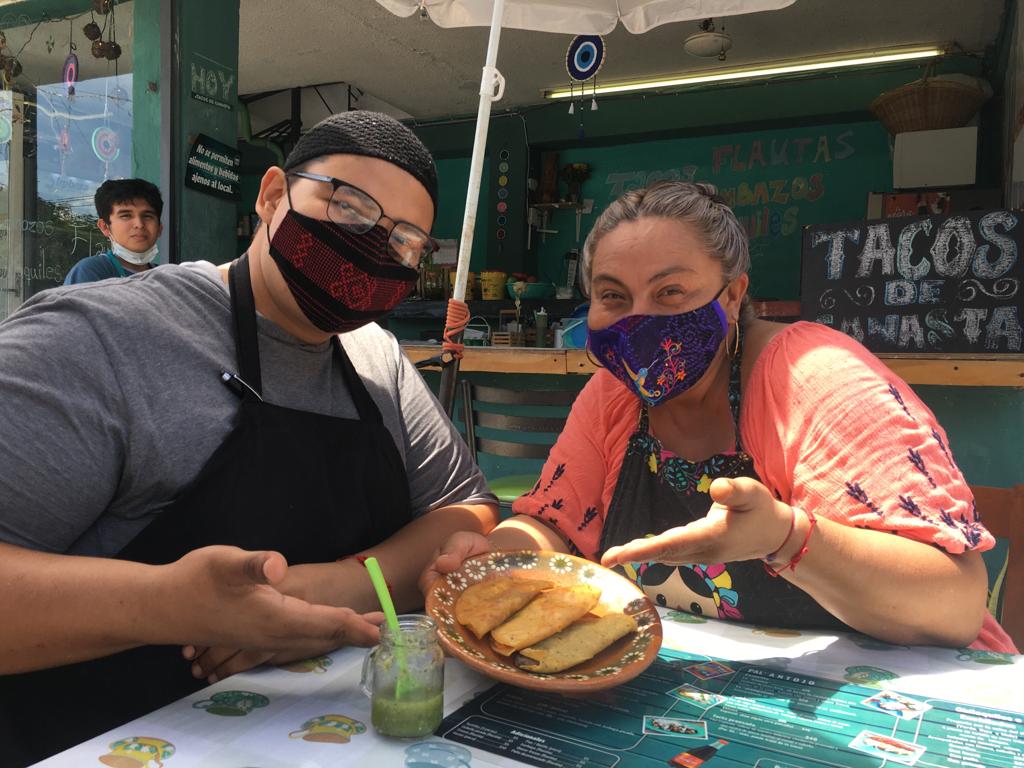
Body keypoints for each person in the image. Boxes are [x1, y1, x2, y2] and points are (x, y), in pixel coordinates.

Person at [0, 111, 498, 766]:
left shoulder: (376, 358)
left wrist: (323, 591)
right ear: (272, 195)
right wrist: (169, 606)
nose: (373, 249)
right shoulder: (102, 338)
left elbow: (465, 511)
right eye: (349, 208)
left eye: (404, 242)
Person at [422, 181, 1016, 655]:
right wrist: (495, 557)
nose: (638, 319)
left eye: (670, 292)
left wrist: (786, 537)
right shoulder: (614, 394)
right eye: (613, 296)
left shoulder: (816, 376)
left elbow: (955, 605)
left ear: (732, 296)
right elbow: (552, 524)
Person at [63, 178, 164, 284]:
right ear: (105, 227)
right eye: (126, 216)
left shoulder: (167, 277)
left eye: (147, 216)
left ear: (160, 228)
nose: (139, 224)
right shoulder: (90, 272)